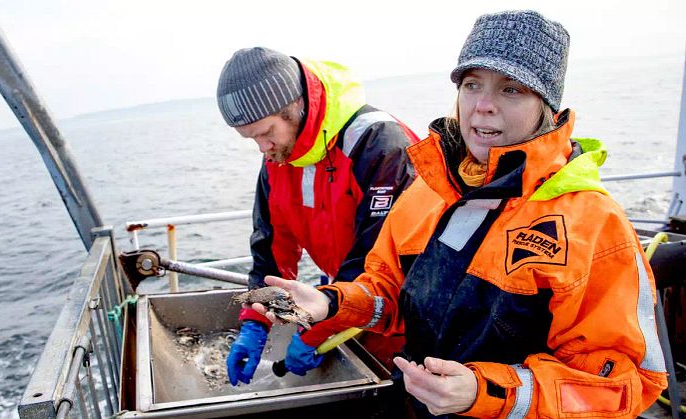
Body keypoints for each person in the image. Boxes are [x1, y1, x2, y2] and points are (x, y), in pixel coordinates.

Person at [251, 10, 668, 417]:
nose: (483, 105)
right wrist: (331, 303)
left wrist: (485, 392)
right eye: (472, 84)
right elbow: (388, 295)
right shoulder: (425, 193)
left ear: (547, 107)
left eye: (511, 89)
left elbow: (626, 385)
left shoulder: (594, 225)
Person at [217, 47, 418, 386]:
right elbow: (270, 249)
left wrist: (317, 328)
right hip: (342, 307)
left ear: (294, 107)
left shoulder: (381, 147)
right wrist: (255, 320)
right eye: (251, 138)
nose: (262, 147)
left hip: (403, 322)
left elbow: (380, 259)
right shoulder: (278, 159)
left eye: (266, 132)